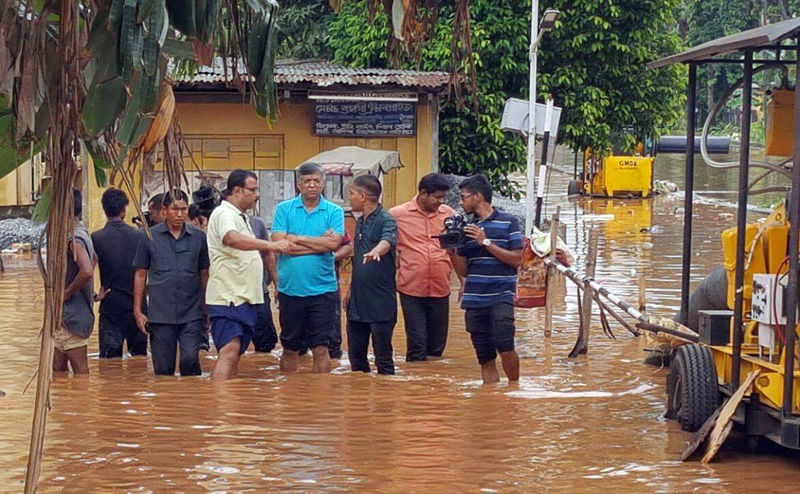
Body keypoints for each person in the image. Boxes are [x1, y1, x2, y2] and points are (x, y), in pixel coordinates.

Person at [206, 170, 292, 380]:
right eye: (252, 190)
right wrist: (270, 244)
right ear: (236, 191)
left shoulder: (241, 217)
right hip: (229, 297)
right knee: (229, 350)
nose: (257, 194)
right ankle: (220, 405)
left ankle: (228, 405)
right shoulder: (224, 213)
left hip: (244, 297)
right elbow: (231, 238)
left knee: (235, 353)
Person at [449, 175, 523, 384]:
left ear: (478, 196)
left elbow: (517, 259)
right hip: (474, 299)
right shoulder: (466, 229)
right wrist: (451, 251)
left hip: (501, 295)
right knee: (484, 356)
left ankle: (514, 390)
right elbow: (463, 271)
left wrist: (485, 241)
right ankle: (492, 397)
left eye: (463, 197)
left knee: (505, 345)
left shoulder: (509, 221)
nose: (461, 203)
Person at [271, 163, 344, 374]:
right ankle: (289, 397)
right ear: (298, 184)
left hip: (323, 291)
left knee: (321, 348)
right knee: (290, 348)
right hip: (290, 289)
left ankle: (319, 401)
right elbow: (279, 244)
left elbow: (333, 245)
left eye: (316, 181)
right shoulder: (284, 209)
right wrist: (319, 244)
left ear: (323, 184)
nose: (312, 185)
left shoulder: (334, 211)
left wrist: (298, 238)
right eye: (307, 181)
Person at [132, 190, 210, 376]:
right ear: (164, 210)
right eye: (175, 209)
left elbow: (204, 274)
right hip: (160, 315)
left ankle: (191, 403)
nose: (180, 214)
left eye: (183, 209)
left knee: (190, 360)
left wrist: (208, 307)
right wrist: (138, 311)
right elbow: (140, 274)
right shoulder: (148, 236)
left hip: (191, 313)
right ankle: (165, 402)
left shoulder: (198, 238)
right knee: (163, 371)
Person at [390, 173, 461, 362]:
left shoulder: (449, 215)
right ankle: (415, 387)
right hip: (411, 288)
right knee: (417, 345)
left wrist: (464, 281)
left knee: (437, 349)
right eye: (437, 197)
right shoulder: (397, 215)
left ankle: (433, 388)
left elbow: (457, 250)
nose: (440, 201)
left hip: (441, 287)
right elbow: (385, 243)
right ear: (423, 193)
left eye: (443, 197)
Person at [345, 175, 398, 375]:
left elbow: (388, 241)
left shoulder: (386, 219)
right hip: (358, 302)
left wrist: (378, 250)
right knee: (356, 361)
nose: (349, 198)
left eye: (351, 194)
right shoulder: (360, 221)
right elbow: (358, 260)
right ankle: (359, 401)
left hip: (381, 302)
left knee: (383, 360)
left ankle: (384, 402)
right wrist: (350, 290)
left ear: (363, 196)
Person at [91, 188, 149, 359]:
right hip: (138, 308)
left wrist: (94, 296)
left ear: (104, 209)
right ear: (124, 209)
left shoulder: (96, 238)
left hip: (111, 307)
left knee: (109, 363)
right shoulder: (140, 236)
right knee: (139, 361)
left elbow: (86, 272)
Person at [54, 188, 95, 375]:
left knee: (80, 372)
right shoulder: (80, 233)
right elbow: (93, 262)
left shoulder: (74, 238)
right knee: (58, 370)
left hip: (72, 315)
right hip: (65, 315)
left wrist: (67, 293)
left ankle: (80, 404)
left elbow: (86, 271)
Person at [249, 214, 280, 353]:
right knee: (232, 342)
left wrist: (277, 284)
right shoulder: (219, 222)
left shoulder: (257, 225)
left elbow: (268, 255)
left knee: (265, 342)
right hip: (231, 295)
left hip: (260, 291)